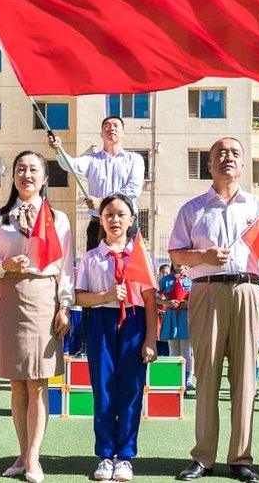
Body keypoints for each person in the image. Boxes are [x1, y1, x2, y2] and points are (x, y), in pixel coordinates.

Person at [169, 137, 259, 483]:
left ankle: (240, 457)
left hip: (249, 291)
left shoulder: (258, 206)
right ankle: (203, 456)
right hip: (206, 291)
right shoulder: (193, 209)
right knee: (207, 376)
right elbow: (176, 254)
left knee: (246, 377)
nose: (227, 158)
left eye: (234, 153)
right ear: (209, 164)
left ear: (243, 164)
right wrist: (202, 257)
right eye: (220, 153)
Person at [0, 150, 74, 483]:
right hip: (9, 297)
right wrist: (3, 266)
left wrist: (65, 305)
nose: (27, 175)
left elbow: (66, 268)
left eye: (34, 169)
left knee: (38, 381)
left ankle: (34, 457)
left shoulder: (57, 219)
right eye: (21, 169)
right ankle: (22, 452)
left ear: (45, 178)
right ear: (14, 176)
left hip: (43, 298)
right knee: (16, 382)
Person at [75, 193, 159, 481]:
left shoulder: (140, 255)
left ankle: (125, 456)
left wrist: (150, 339)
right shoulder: (91, 258)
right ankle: (105, 454)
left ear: (132, 220)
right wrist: (106, 295)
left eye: (121, 214)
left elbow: (150, 299)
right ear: (101, 219)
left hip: (134, 322)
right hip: (102, 320)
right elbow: (80, 298)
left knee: (132, 390)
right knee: (104, 389)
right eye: (109, 214)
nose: (115, 220)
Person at [49, 115, 145, 250]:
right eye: (106, 125)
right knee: (95, 267)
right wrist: (58, 149)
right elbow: (70, 165)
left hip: (126, 225)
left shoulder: (135, 159)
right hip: (98, 224)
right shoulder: (91, 160)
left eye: (115, 125)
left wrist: (101, 202)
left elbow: (133, 190)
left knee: (128, 267)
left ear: (124, 133)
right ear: (101, 133)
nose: (111, 128)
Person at [159, 263, 193, 388]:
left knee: (186, 350)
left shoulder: (191, 278)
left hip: (186, 317)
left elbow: (200, 295)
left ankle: (188, 378)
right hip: (171, 316)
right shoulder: (166, 280)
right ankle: (175, 377)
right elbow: (154, 295)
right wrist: (166, 302)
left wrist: (189, 303)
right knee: (173, 348)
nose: (180, 263)